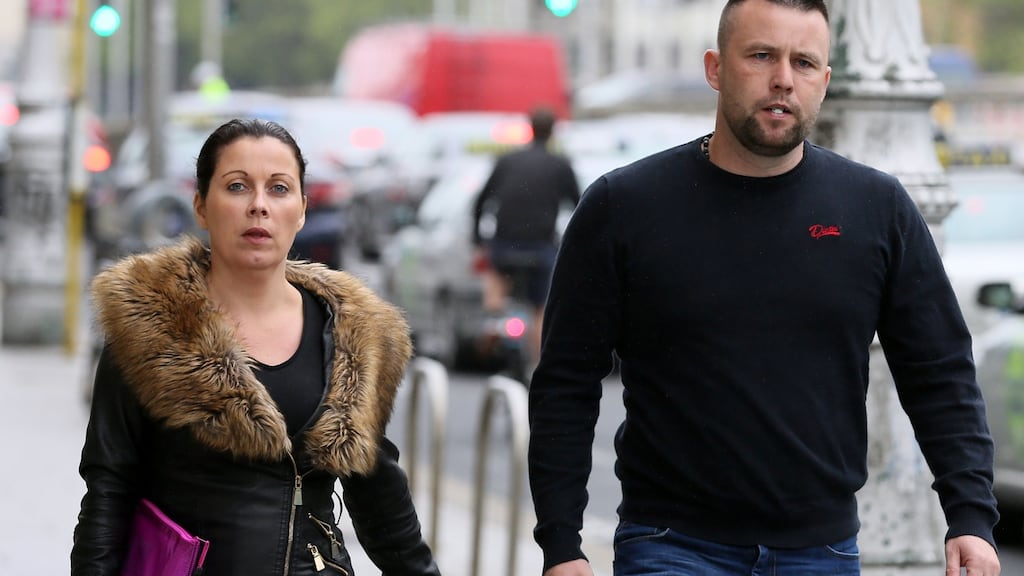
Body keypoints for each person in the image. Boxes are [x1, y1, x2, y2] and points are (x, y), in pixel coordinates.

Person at [526, 1, 1001, 575]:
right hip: (672, 546)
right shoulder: (624, 206)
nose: (783, 79)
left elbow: (940, 369)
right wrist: (561, 544)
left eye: (804, 62)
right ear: (715, 68)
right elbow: (566, 383)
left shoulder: (876, 208)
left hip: (821, 551)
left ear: (824, 81)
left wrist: (971, 516)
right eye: (761, 56)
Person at [72, 118, 440, 576]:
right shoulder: (150, 326)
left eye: (279, 189)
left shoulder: (352, 332)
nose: (259, 206)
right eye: (237, 186)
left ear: (302, 209)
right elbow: (109, 487)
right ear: (202, 205)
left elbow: (377, 492)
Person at [472, 106, 580, 368]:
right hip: (541, 247)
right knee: (542, 308)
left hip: (504, 245)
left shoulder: (508, 161)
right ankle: (539, 365)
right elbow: (579, 205)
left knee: (496, 281)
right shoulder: (560, 164)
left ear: (529, 128)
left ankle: (493, 323)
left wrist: (477, 240)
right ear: (553, 131)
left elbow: (481, 201)